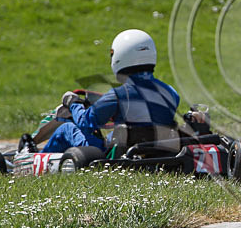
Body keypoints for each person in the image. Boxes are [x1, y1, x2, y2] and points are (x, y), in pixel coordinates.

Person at [37, 29, 180, 153]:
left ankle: (37, 160)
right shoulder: (171, 93)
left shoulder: (117, 96)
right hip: (157, 148)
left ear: (120, 56)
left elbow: (86, 122)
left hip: (115, 152)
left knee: (67, 128)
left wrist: (73, 103)